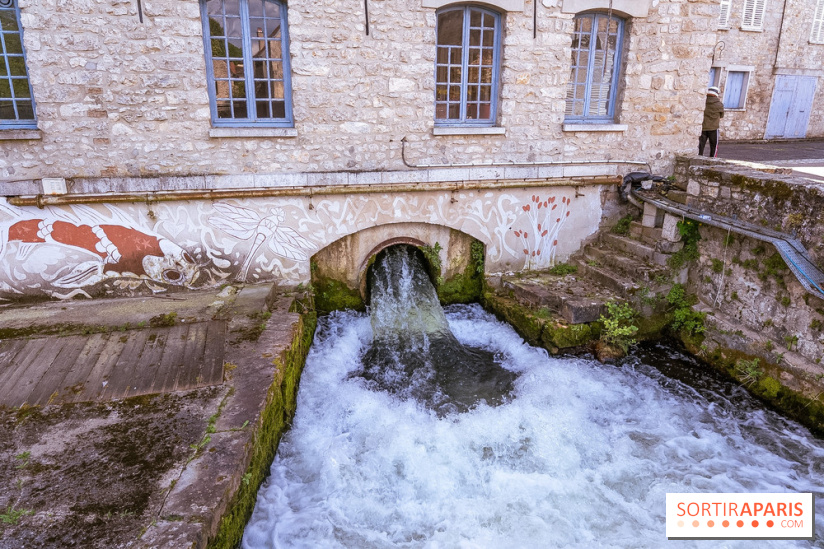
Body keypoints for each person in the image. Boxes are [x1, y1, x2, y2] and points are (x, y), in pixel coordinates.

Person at [699, 86, 724, 157]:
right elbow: (721, 116)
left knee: (700, 146)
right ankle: (712, 159)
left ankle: (699, 158)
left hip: (703, 127)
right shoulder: (719, 104)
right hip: (714, 128)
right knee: (713, 146)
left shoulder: (703, 102)